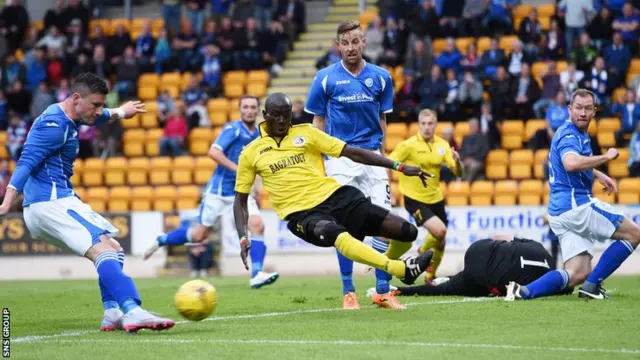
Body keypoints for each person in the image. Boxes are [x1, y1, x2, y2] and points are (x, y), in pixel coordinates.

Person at [0, 73, 175, 332]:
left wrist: (120, 112)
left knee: (113, 247)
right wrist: (6, 203)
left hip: (49, 203)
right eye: (96, 105)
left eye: (102, 105)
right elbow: (26, 163)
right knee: (102, 248)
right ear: (76, 98)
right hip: (52, 202)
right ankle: (133, 309)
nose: (99, 110)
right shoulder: (54, 126)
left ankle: (113, 312)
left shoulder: (69, 115)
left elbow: (97, 115)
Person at [234, 93, 434, 297]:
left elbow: (353, 152)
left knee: (407, 231)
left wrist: (398, 166)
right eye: (276, 115)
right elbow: (240, 201)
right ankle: (398, 269)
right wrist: (242, 237)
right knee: (337, 234)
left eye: (286, 114)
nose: (282, 120)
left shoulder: (307, 133)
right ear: (265, 114)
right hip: (302, 215)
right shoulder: (251, 152)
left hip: (336, 197)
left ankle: (396, 271)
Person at [505, 89, 640, 301]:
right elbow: (571, 163)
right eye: (578, 108)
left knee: (578, 272)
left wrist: (596, 174)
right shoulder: (570, 134)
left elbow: (568, 161)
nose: (583, 113)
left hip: (559, 213)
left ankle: (523, 291)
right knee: (634, 234)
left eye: (588, 108)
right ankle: (592, 287)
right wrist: (605, 157)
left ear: (594, 111)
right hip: (576, 206)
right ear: (569, 109)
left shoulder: (572, 133)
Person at [304, 20, 400, 310]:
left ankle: (382, 290)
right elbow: (317, 123)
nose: (350, 48)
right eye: (344, 43)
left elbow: (383, 120)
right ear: (338, 46)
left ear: (363, 43)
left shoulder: (381, 77)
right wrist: (320, 162)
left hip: (372, 157)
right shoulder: (325, 78)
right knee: (343, 226)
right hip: (340, 159)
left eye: (355, 42)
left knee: (385, 222)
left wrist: (381, 154)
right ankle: (349, 291)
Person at [144, 95, 279, 289]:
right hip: (218, 191)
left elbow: (255, 165)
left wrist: (256, 186)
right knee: (199, 236)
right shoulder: (232, 129)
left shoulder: (259, 136)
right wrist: (238, 169)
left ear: (258, 110)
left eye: (252, 107)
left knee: (257, 225)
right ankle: (162, 239)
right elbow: (213, 152)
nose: (249, 110)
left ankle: (257, 275)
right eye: (245, 107)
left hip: (240, 192)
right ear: (240, 110)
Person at [387, 109, 462, 286]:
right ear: (419, 125)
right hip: (414, 198)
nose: (427, 127)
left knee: (441, 243)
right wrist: (390, 189)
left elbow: (458, 172)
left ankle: (430, 277)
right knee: (440, 231)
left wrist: (458, 161)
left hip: (436, 198)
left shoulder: (443, 145)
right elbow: (389, 163)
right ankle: (422, 250)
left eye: (430, 124)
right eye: (423, 124)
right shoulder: (408, 145)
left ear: (435, 125)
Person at [384, 235, 569, 297]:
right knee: (448, 289)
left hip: (479, 248)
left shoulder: (540, 249)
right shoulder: (542, 285)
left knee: (460, 279)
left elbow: (502, 237)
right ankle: (399, 290)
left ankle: (443, 277)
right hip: (488, 278)